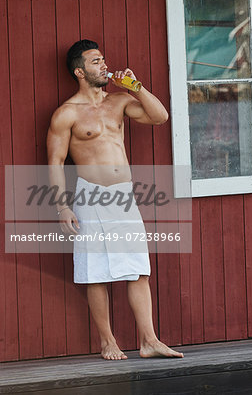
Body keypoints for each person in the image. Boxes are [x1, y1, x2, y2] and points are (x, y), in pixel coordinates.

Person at [46, 39, 184, 360]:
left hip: (123, 197)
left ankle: (149, 340)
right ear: (80, 71)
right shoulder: (66, 114)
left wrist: (135, 86)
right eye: (96, 62)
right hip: (90, 197)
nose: (104, 65)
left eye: (103, 59)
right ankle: (108, 341)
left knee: (138, 269)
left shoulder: (119, 101)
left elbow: (159, 116)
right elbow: (54, 161)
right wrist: (62, 206)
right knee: (96, 272)